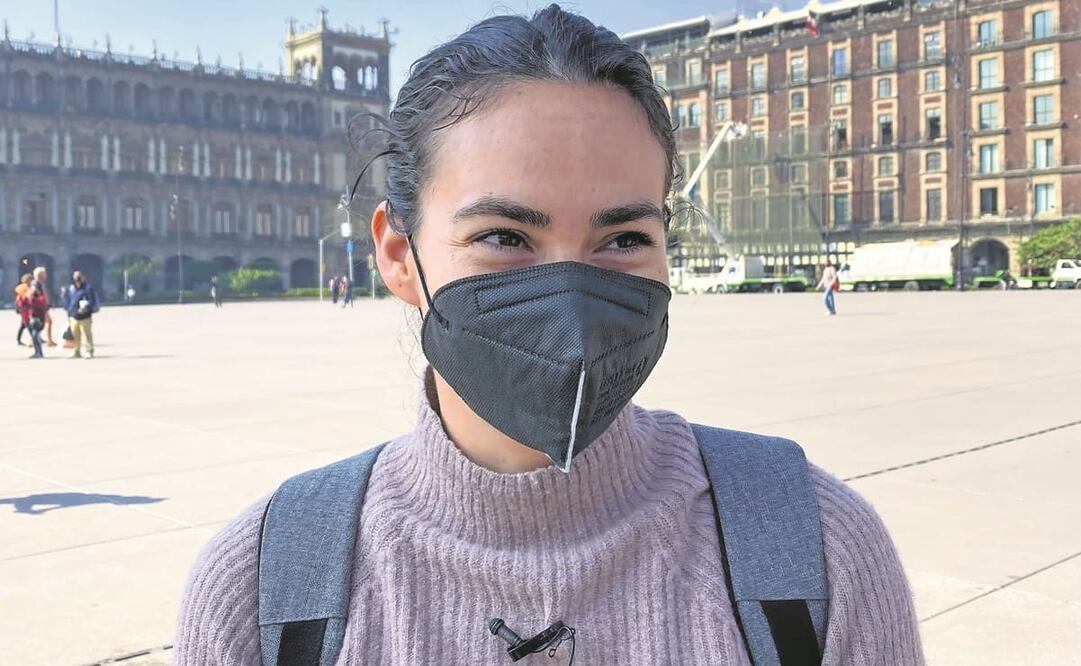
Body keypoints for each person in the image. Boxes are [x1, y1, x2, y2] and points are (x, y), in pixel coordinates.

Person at [175, 7, 923, 665]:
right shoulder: (260, 587)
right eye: (504, 235)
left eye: (624, 237)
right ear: (399, 256)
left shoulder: (816, 545)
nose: (569, 298)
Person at [66, 271, 98, 359]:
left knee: (87, 334)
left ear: (83, 277)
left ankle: (89, 351)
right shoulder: (72, 288)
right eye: (75, 277)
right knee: (75, 335)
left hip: (85, 316)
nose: (77, 279)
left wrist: (86, 308)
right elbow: (68, 300)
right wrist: (69, 312)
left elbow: (92, 301)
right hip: (73, 316)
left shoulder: (88, 288)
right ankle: (76, 351)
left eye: (79, 277)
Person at [20, 282, 49, 359]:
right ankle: (37, 352)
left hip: (40, 319)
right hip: (32, 319)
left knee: (35, 335)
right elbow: (23, 303)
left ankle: (39, 353)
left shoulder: (41, 297)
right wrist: (23, 297)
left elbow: (41, 305)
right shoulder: (31, 296)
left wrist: (32, 298)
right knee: (34, 336)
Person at [33, 266, 58, 347]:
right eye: (44, 273)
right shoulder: (37, 283)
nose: (46, 275)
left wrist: (49, 303)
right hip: (40, 307)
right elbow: (41, 295)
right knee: (43, 323)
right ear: (40, 275)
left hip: (42, 306)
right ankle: (49, 340)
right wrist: (46, 303)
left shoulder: (38, 283)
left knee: (42, 323)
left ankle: (44, 340)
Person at [14, 273, 32, 347]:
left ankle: (18, 339)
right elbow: (22, 297)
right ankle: (34, 337)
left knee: (23, 325)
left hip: (23, 307)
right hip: (24, 307)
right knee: (27, 324)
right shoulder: (24, 287)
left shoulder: (20, 287)